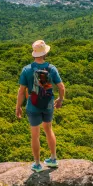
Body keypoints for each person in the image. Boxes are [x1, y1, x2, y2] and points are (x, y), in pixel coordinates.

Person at [15, 40, 65, 172]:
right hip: (48, 103)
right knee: (48, 129)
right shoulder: (51, 68)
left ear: (34, 54)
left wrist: (18, 107)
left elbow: (21, 91)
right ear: (45, 53)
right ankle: (53, 159)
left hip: (33, 104)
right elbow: (61, 87)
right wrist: (60, 99)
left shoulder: (27, 69)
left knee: (35, 135)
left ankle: (37, 164)